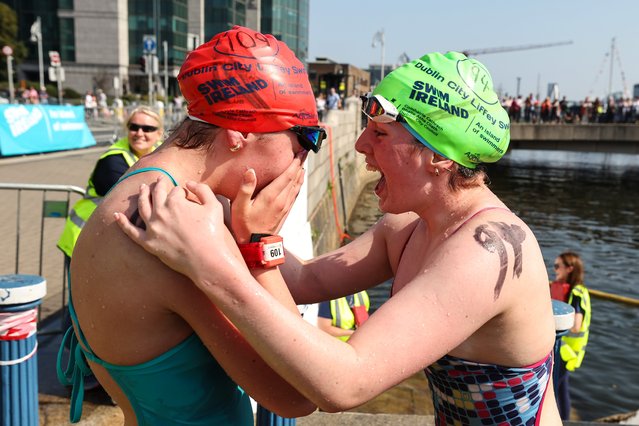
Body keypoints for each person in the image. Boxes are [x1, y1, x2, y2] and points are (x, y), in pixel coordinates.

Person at [115, 51, 562, 424]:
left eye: (381, 133)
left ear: (438, 157)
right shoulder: (408, 229)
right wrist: (246, 226)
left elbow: (345, 383)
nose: (360, 145)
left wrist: (211, 266)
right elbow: (305, 280)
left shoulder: (487, 251)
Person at [57, 26, 325, 424]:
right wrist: (262, 243)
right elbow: (300, 392)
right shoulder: (177, 230)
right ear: (240, 133)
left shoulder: (141, 189)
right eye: (304, 138)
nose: (303, 158)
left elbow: (311, 279)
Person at [57, 106, 164, 262]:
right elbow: (134, 203)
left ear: (159, 134)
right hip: (85, 240)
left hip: (108, 240)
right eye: (134, 127)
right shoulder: (113, 160)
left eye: (147, 128)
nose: (139, 133)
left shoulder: (158, 154)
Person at [549, 251, 591, 420]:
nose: (555, 269)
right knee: (560, 386)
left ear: (570, 269)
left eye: (558, 266)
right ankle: (563, 419)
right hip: (563, 349)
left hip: (566, 351)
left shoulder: (576, 293)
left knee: (557, 387)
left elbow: (576, 326)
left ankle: (563, 420)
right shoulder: (572, 289)